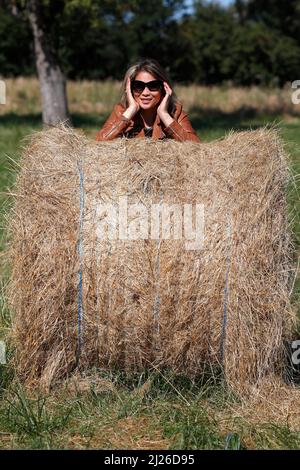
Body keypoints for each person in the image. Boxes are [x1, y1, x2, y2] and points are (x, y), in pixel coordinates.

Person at [96, 58, 200, 143]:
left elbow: (196, 149)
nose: (145, 93)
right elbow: (100, 142)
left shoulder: (175, 112)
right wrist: (131, 110)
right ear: (129, 89)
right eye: (138, 86)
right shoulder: (121, 111)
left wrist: (164, 115)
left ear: (163, 88)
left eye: (153, 86)